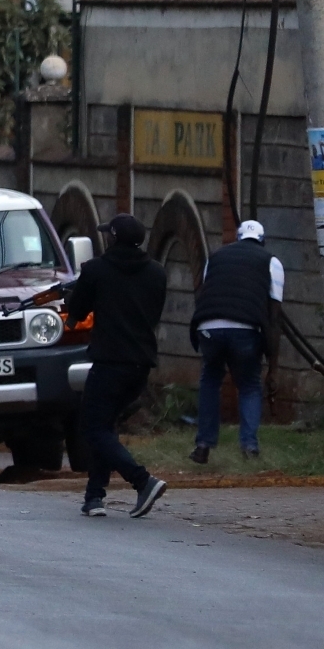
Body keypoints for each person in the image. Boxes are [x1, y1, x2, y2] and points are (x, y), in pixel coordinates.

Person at [65, 212, 169, 519]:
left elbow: (78, 310)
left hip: (110, 362)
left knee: (92, 428)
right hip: (140, 365)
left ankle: (142, 481)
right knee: (105, 426)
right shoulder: (157, 273)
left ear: (112, 238)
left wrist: (74, 297)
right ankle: (94, 497)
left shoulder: (96, 270)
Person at [189, 219, 282, 464]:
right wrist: (273, 369)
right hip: (245, 330)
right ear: (262, 241)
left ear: (239, 238)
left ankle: (202, 444)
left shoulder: (216, 257)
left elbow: (205, 294)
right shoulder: (271, 262)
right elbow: (274, 319)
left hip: (208, 326)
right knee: (250, 385)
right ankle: (249, 447)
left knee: (210, 379)